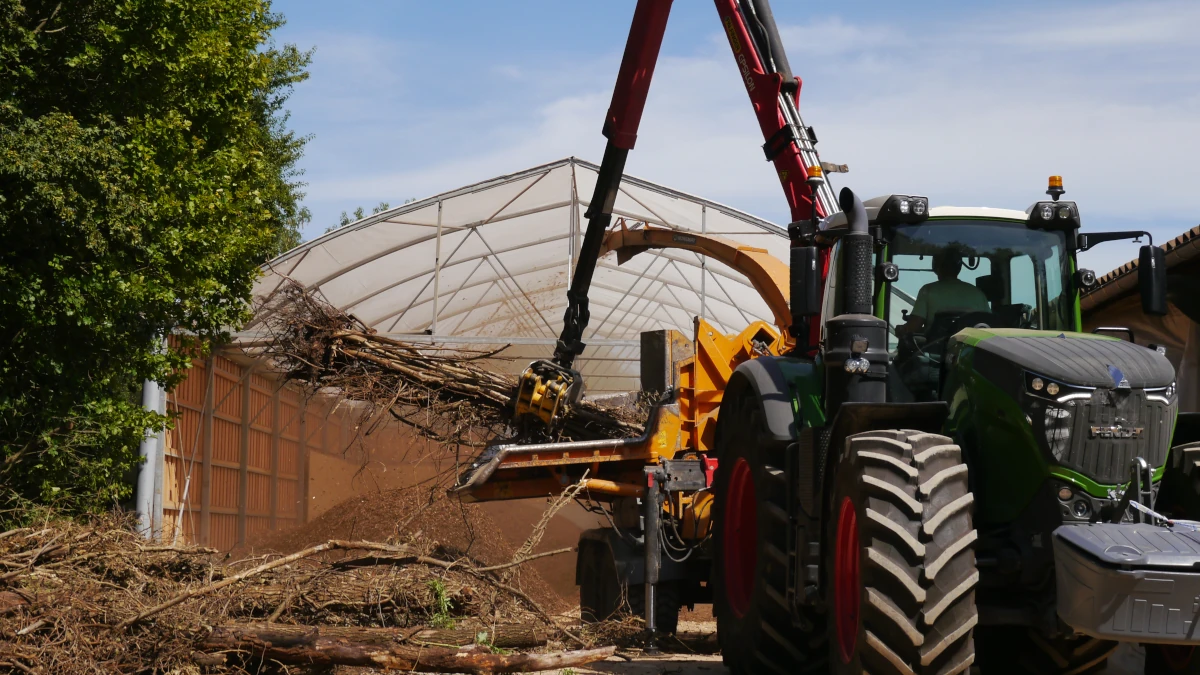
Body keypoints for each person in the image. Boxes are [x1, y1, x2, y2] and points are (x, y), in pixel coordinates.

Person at [895, 248, 990, 338]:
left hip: (934, 353)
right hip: (968, 352)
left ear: (935, 266)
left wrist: (901, 329)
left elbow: (914, 327)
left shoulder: (928, 291)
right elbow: (990, 327)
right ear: (959, 267)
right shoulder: (978, 294)